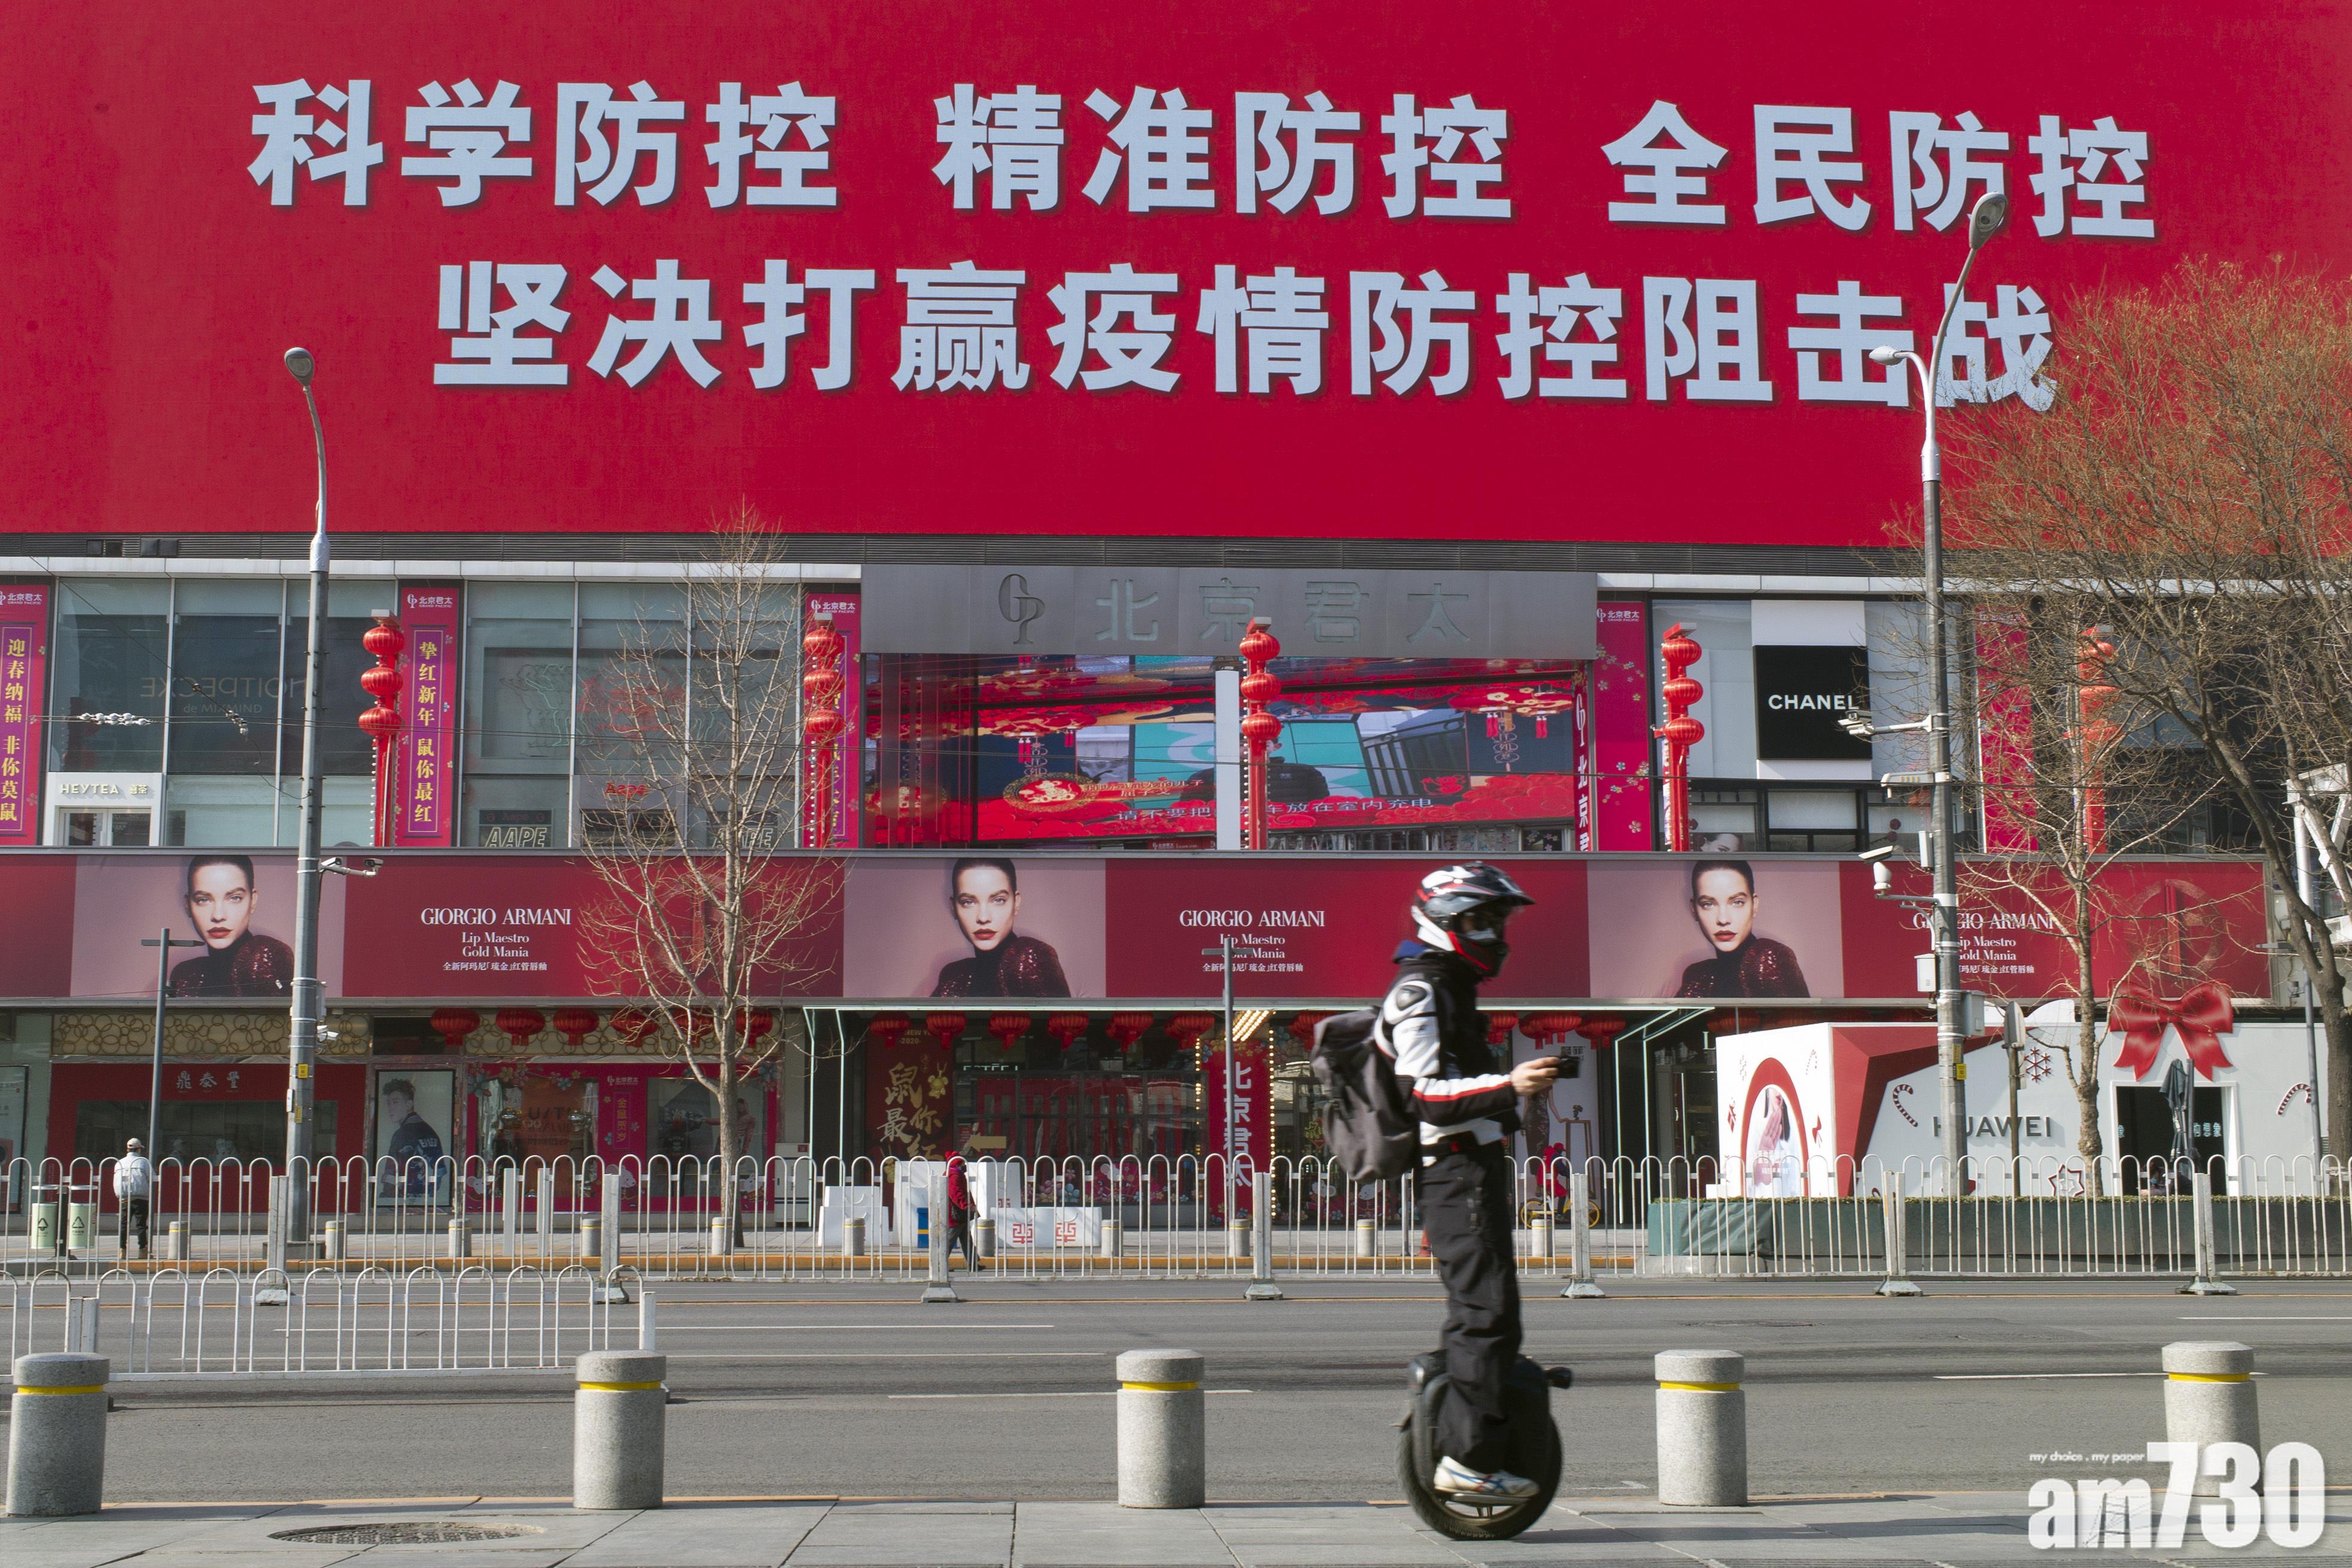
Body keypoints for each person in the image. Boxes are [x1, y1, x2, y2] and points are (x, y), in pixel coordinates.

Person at [1380, 862, 1557, 1501]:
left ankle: (1470, 1440)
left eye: (1498, 922)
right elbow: (1423, 1096)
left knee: (1491, 1312)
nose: (1494, 935)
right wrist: (1510, 1084)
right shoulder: (1421, 990)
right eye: (1481, 920)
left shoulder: (1449, 985)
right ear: (1446, 921)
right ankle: (1468, 1460)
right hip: (1454, 1172)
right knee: (1483, 1313)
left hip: (1469, 1169)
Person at [930, 858, 1072, 997]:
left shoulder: (1029, 956)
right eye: (969, 902)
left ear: (1016, 903)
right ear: (953, 908)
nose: (983, 918)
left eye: (998, 900)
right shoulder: (954, 975)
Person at [1674, 860, 1809, 998]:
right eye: (1708, 904)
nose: (1723, 919)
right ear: (1694, 909)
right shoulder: (1697, 976)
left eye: (1737, 902)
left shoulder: (1768, 957)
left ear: (1754, 905)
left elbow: (1801, 1013)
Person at [168, 855, 294, 998]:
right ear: (188, 905)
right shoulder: (186, 974)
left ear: (253, 901)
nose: (218, 916)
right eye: (203, 900)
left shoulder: (265, 954)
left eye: (235, 898)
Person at [378, 1078, 446, 1197]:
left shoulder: (402, 1134)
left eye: (396, 1102)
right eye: (389, 1103)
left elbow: (390, 1180)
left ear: (409, 1104)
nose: (391, 1107)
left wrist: (386, 1200)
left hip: (404, 1200)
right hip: (428, 1200)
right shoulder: (431, 1132)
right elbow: (439, 1176)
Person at [114, 1137, 153, 1259]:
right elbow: (152, 1177)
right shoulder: (143, 1162)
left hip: (124, 1198)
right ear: (139, 1149)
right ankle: (142, 1250)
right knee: (141, 1225)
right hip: (141, 1198)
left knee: (124, 1225)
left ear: (127, 1149)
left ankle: (122, 1250)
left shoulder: (119, 1163)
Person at [943, 1144, 979, 1269]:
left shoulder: (954, 1174)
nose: (965, 1166)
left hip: (959, 1213)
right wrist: (966, 1206)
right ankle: (940, 1264)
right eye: (963, 1164)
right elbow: (956, 1194)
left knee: (967, 1240)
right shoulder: (955, 1175)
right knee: (950, 1240)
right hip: (956, 1214)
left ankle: (973, 1264)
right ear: (958, 1164)